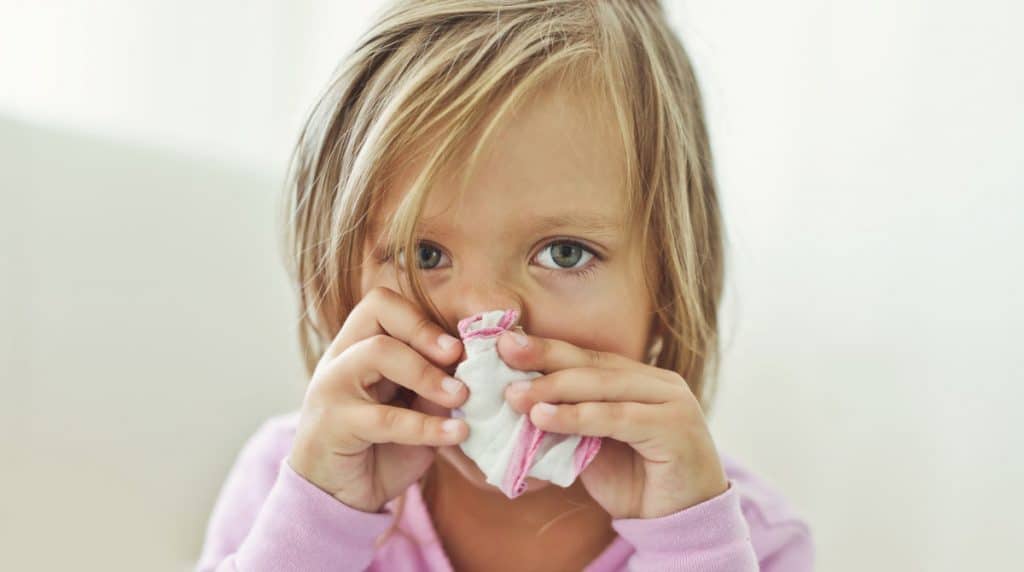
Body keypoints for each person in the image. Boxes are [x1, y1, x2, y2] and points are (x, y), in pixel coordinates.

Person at [195, 1, 814, 570]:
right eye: (425, 253)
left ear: (670, 285)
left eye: (564, 254)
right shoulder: (294, 493)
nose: (487, 320)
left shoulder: (743, 540)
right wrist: (321, 524)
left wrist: (689, 545)